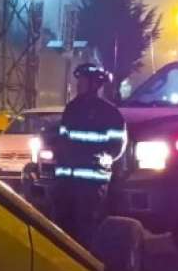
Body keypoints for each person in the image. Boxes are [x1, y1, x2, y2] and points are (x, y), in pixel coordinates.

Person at [50, 63, 127, 246]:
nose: (78, 84)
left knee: (88, 230)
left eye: (82, 81)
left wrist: (102, 159)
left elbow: (117, 146)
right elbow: (63, 140)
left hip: (91, 184)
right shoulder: (72, 109)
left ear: (94, 83)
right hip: (65, 182)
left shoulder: (110, 113)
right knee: (60, 228)